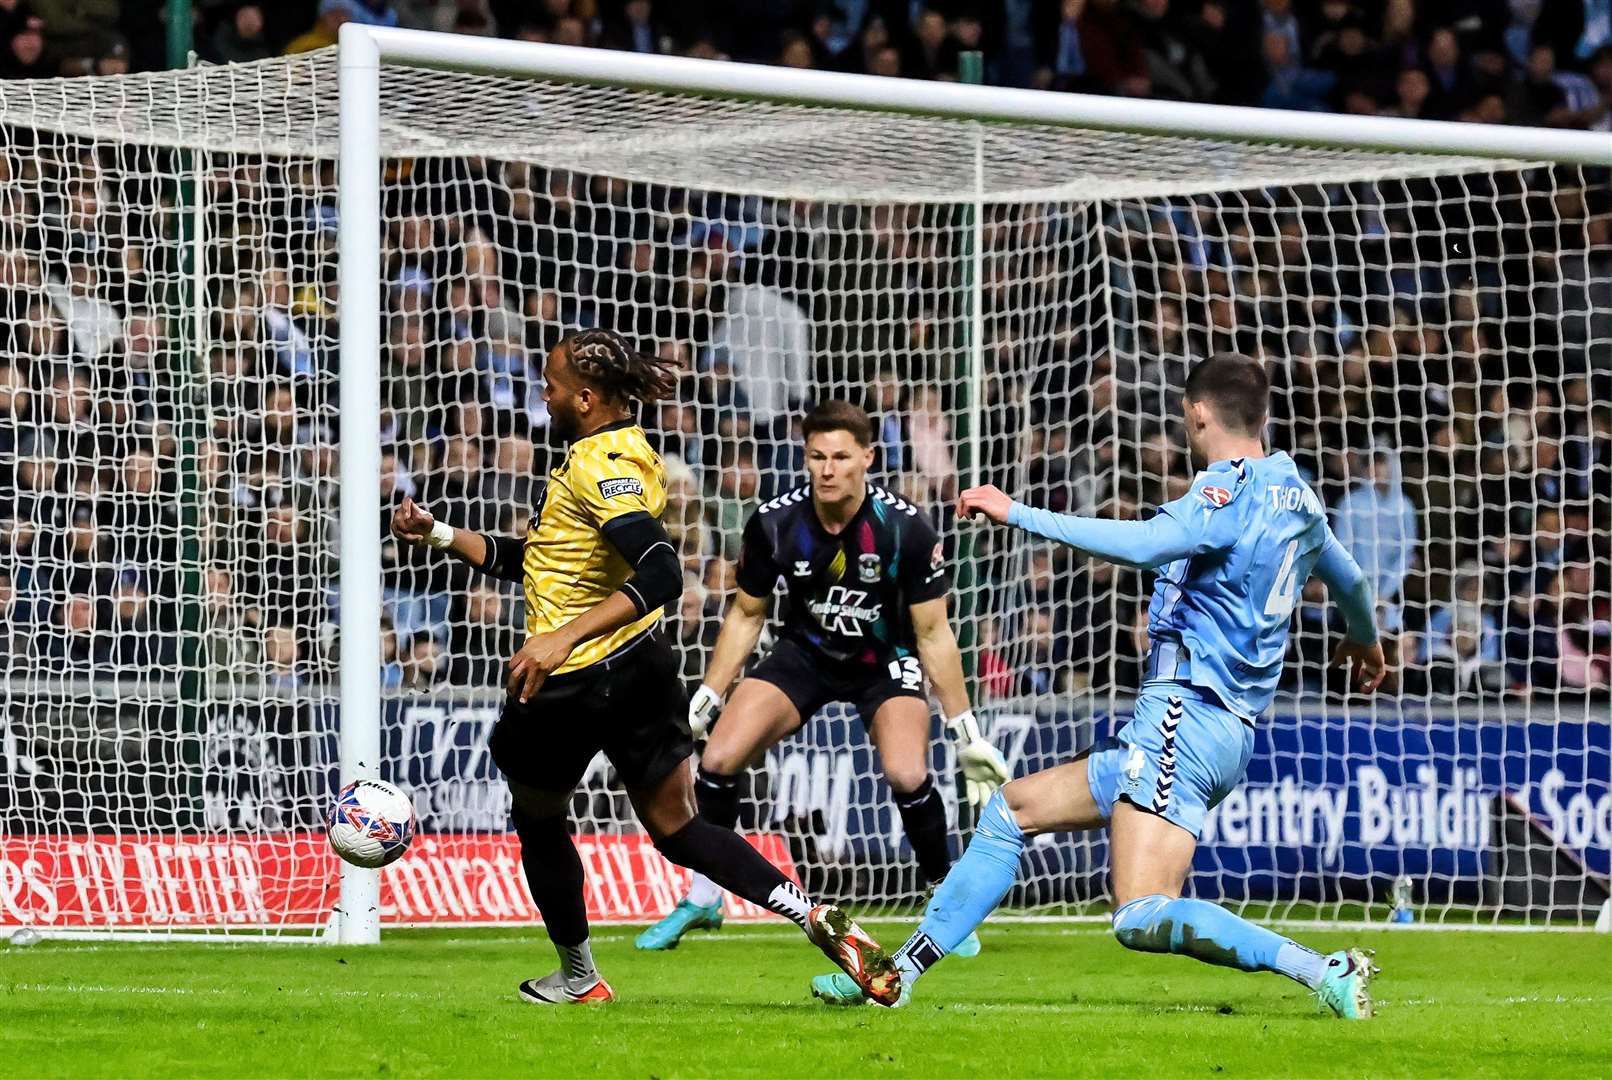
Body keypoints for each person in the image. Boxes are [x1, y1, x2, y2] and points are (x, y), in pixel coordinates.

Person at [811, 355, 1388, 1019]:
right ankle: (898, 973)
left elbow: (1145, 545)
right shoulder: (1299, 492)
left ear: (1196, 415)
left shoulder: (1224, 492)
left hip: (1183, 720)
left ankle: (1324, 969)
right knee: (1012, 809)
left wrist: (1015, 511)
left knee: (1139, 914)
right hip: (1220, 730)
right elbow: (1354, 584)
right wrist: (1365, 639)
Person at [391, 329, 899, 1006]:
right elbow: (538, 562)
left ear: (587, 396)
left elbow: (662, 571)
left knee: (539, 820)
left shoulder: (593, 467)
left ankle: (579, 978)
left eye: (552, 385)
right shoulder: (631, 453)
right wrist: (441, 535)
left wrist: (561, 638)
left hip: (569, 683)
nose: (543, 393)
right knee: (680, 828)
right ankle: (810, 914)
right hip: (642, 669)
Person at [635, 400, 1010, 953]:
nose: (828, 469)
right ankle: (704, 896)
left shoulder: (906, 529)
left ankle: (946, 901)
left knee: (907, 775)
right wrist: (711, 693)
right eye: (816, 456)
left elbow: (933, 633)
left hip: (883, 661)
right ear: (805, 458)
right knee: (715, 760)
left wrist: (965, 730)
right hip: (804, 656)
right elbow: (746, 613)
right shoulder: (775, 522)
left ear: (868, 458)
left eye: (840, 457)